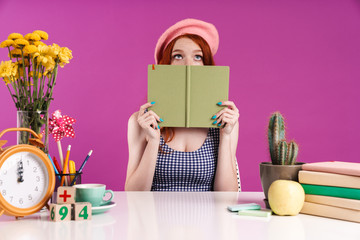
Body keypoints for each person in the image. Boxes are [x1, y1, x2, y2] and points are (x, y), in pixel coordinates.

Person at [125, 19, 240, 191]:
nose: (188, 65)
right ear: (166, 64)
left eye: (198, 57)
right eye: (178, 56)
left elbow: (228, 196)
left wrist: (226, 135)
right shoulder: (140, 122)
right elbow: (132, 195)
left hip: (208, 218)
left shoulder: (225, 122)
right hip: (154, 218)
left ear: (206, 65)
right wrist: (153, 140)